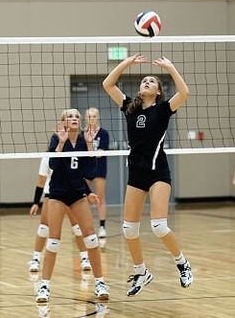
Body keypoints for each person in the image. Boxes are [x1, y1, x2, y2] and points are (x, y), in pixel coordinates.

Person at [103, 54, 193, 296]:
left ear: (158, 91)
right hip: (136, 174)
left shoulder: (164, 109)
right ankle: (142, 272)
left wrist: (171, 68)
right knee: (128, 230)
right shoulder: (130, 107)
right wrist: (126, 64)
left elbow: (184, 93)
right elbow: (108, 85)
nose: (146, 82)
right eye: (144, 80)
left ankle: (182, 263)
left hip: (158, 173)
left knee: (159, 226)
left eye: (152, 81)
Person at [36, 109, 109, 303]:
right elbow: (53, 165)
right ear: (64, 122)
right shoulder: (56, 139)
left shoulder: (85, 140)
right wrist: (60, 143)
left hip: (77, 194)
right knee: (53, 241)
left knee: (92, 239)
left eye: (77, 116)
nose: (75, 119)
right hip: (57, 195)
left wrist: (91, 145)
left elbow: (90, 171)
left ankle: (100, 282)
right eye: (70, 116)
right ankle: (44, 286)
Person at [29, 156, 91, 274]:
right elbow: (41, 181)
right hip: (52, 194)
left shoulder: (72, 154)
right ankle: (35, 259)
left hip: (72, 193)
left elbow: (80, 176)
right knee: (44, 228)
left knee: (77, 228)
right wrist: (36, 203)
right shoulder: (47, 158)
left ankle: (84, 258)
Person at [84, 107, 109, 239]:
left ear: (97, 117)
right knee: (84, 197)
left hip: (99, 168)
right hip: (86, 168)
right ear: (85, 118)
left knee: (100, 197)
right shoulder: (82, 133)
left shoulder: (103, 133)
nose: (91, 118)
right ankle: (86, 226)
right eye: (89, 116)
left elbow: (99, 154)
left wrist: (90, 149)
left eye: (94, 116)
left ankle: (102, 227)